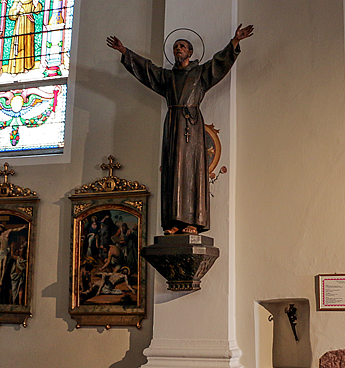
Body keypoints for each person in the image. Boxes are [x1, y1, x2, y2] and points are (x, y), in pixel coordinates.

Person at [107, 24, 254, 234]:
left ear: (190, 52)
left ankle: (193, 222)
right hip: (173, 125)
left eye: (182, 46)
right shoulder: (167, 77)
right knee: (173, 172)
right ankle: (174, 222)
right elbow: (147, 70)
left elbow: (219, 63)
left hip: (192, 125)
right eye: (176, 46)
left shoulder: (200, 73)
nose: (178, 49)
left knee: (192, 172)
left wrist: (235, 42)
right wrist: (124, 51)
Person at [6, 0, 42, 74]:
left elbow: (37, 10)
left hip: (29, 24)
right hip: (20, 23)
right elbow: (11, 14)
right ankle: (18, 68)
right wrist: (17, 10)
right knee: (19, 44)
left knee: (28, 44)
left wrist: (36, 4)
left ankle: (27, 66)